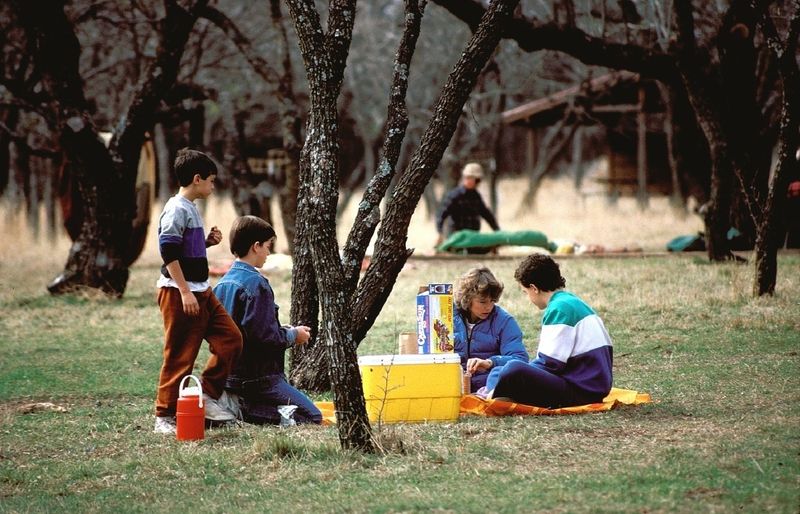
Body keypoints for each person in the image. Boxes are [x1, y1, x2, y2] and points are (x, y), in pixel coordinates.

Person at [154, 148, 243, 434]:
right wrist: (184, 292)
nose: (213, 186)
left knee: (230, 339)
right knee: (181, 354)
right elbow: (167, 251)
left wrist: (204, 243)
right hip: (181, 292)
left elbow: (181, 248)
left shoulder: (190, 207)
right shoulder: (176, 208)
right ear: (196, 179)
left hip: (202, 290)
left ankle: (205, 394)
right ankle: (165, 416)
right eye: (211, 180)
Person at [213, 216, 322, 425]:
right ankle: (242, 411)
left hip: (229, 377)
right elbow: (265, 337)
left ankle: (239, 404)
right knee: (312, 416)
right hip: (259, 379)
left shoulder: (221, 284)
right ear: (256, 246)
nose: (268, 253)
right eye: (267, 246)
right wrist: (293, 335)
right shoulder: (257, 284)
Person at [483, 254, 613, 408]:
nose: (528, 297)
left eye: (526, 292)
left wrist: (524, 372)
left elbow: (550, 364)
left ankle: (494, 397)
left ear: (534, 288)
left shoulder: (559, 309)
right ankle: (499, 395)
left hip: (581, 391)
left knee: (513, 369)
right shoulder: (572, 302)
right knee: (500, 370)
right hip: (590, 386)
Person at [453, 267, 529, 392]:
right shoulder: (446, 316)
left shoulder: (504, 321)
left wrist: (490, 363)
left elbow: (520, 359)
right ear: (467, 298)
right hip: (450, 384)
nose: (489, 307)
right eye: (482, 302)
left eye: (492, 301)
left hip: (487, 385)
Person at [436, 162, 500, 252]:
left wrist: (497, 231)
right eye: (467, 178)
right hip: (457, 238)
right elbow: (441, 215)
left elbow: (487, 215)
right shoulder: (454, 196)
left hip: (473, 238)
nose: (469, 180)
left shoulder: (476, 197)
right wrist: (440, 233)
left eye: (472, 178)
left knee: (486, 247)